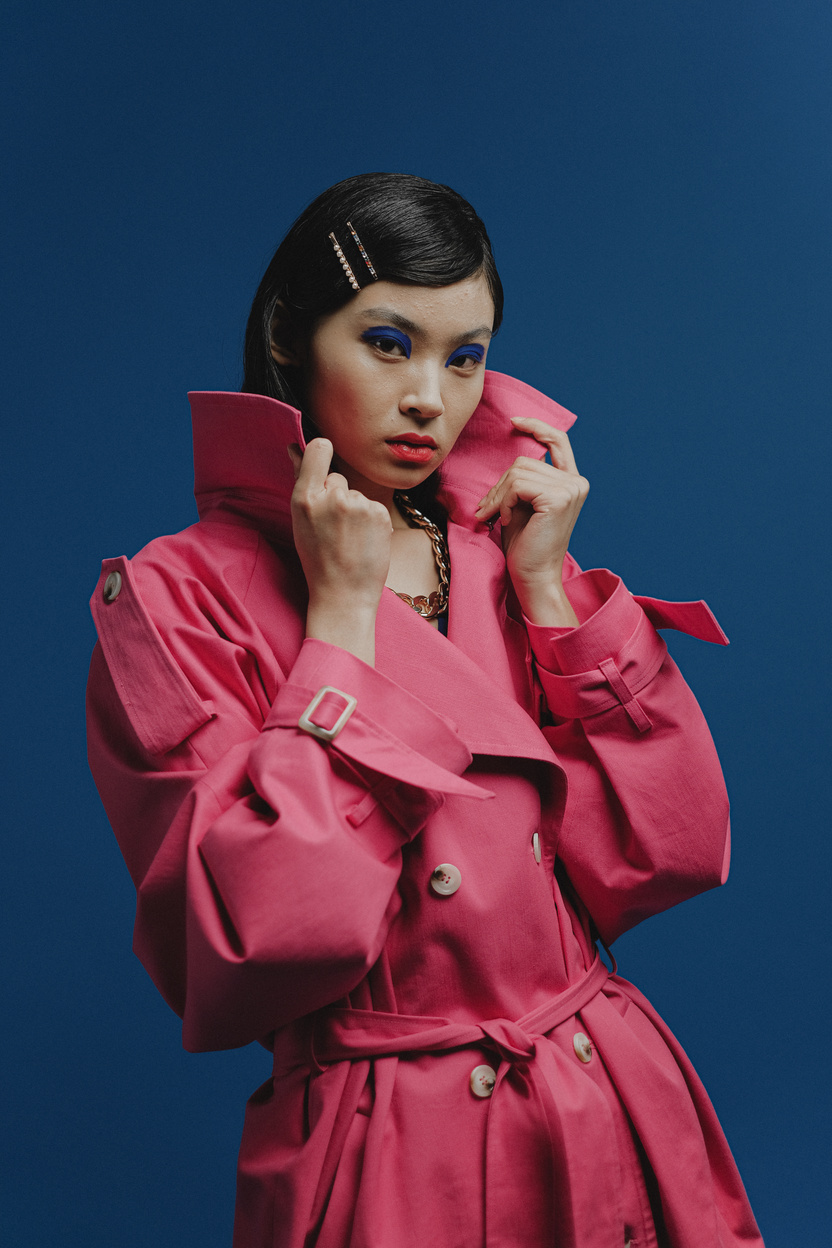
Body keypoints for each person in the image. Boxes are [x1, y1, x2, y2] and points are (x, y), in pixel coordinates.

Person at [86, 173, 763, 1248]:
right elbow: (256, 939)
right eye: (388, 341)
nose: (429, 399)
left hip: (604, 1088)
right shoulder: (179, 596)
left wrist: (552, 595)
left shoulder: (501, 542)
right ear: (289, 338)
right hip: (393, 1142)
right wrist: (342, 624)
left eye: (465, 356)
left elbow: (667, 853)